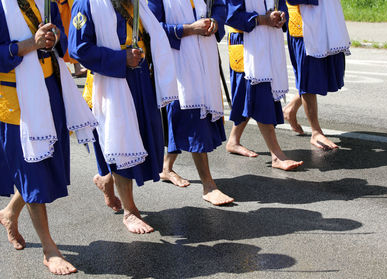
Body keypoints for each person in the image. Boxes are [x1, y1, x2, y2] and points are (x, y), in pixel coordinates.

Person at [0, 0, 97, 274]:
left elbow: (60, 40)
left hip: (50, 89)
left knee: (42, 165)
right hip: (16, 99)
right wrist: (28, 45)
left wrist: (54, 37)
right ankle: (49, 248)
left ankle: (9, 213)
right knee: (32, 170)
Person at [69, 0, 178, 233]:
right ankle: (130, 211)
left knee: (138, 141)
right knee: (122, 143)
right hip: (110, 82)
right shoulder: (86, 5)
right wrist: (121, 59)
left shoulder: (137, 3)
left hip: (140, 80)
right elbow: (78, 49)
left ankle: (105, 178)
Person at [148, 0, 234, 206]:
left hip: (205, 56)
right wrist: (188, 29)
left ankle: (166, 168)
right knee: (193, 121)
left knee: (187, 120)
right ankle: (208, 186)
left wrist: (215, 21)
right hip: (179, 65)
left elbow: (220, 6)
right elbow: (151, 27)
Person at [224, 0, 303, 171]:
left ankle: (233, 140)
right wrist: (261, 20)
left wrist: (282, 16)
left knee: (250, 97)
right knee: (260, 97)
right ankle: (277, 156)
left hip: (268, 42)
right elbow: (230, 15)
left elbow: (281, 4)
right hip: (247, 46)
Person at [283, 0, 350, 150]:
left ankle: (291, 108)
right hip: (305, 25)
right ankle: (316, 132)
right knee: (309, 78)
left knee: (321, 75)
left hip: (327, 20)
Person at [56, 0, 87, 77]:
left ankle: (77, 67)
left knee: (70, 34)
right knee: (59, 37)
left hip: (67, 4)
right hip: (57, 5)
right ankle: (61, 68)